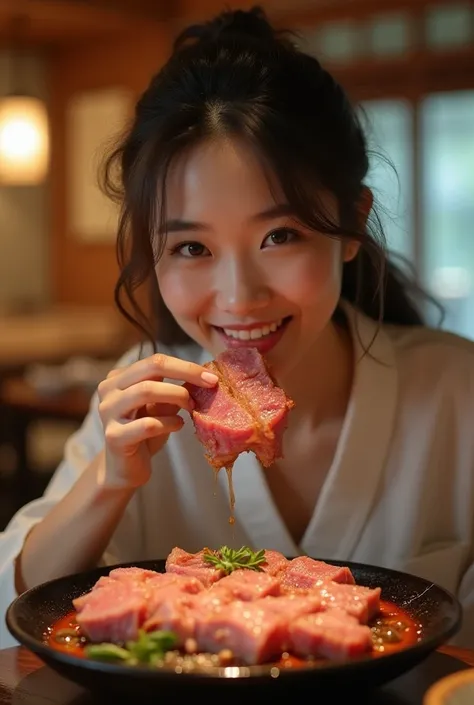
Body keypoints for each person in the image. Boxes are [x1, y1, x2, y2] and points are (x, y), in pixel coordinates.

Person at [1, 6, 473, 650]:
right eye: (192, 248)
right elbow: (12, 611)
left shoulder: (457, 391)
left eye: (281, 235)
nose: (237, 298)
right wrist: (109, 481)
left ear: (352, 226)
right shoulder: (140, 404)